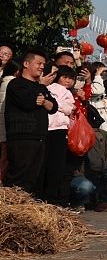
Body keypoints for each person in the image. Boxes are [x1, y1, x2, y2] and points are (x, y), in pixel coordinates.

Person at [3, 50, 58, 194]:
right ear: (26, 64)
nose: (42, 67)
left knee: (32, 179)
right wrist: (41, 97)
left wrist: (43, 100)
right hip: (22, 137)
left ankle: (24, 208)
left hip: (40, 137)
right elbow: (28, 103)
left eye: (43, 64)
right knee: (18, 176)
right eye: (39, 63)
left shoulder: (41, 87)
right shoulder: (16, 84)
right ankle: (10, 205)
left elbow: (53, 107)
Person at [39, 66, 77, 206]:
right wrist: (58, 105)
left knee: (57, 166)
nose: (67, 81)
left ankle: (52, 199)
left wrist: (53, 104)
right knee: (43, 165)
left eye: (71, 78)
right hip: (44, 129)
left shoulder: (68, 93)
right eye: (65, 77)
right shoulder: (47, 87)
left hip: (60, 130)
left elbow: (69, 108)